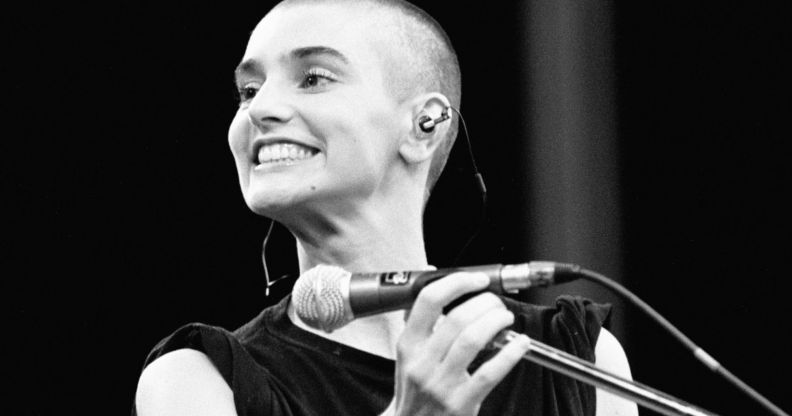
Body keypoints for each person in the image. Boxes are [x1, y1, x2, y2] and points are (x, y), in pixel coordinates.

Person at [134, 0, 638, 415]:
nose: (260, 108)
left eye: (313, 78)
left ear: (425, 125)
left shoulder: (575, 360)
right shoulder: (196, 381)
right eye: (248, 90)